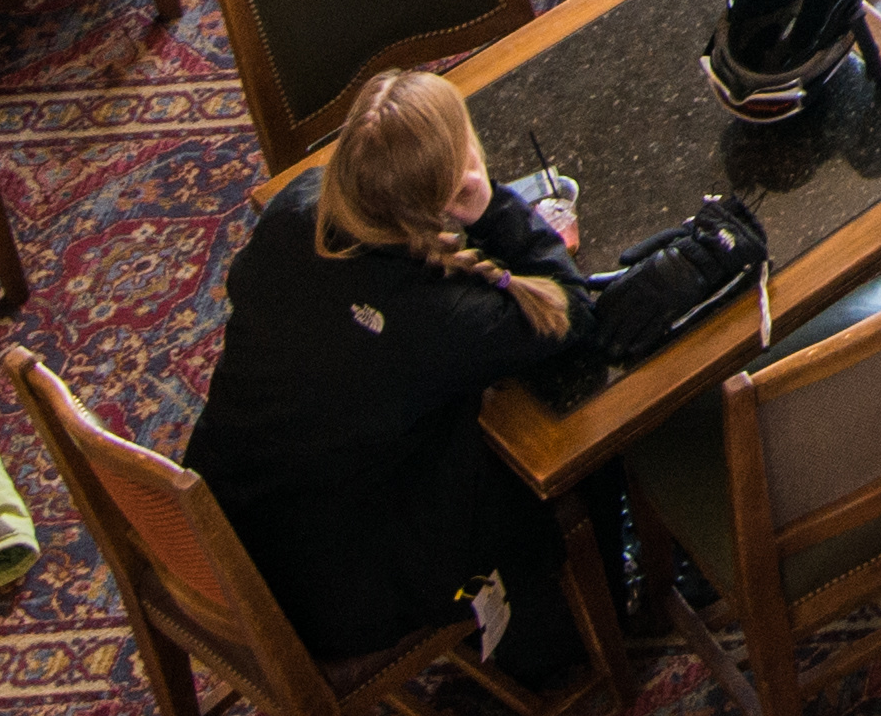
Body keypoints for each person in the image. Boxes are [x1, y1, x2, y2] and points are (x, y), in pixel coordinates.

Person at [191, 63, 599, 682]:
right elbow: (571, 314)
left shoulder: (293, 211)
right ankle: (572, 641)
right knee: (559, 455)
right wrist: (491, 210)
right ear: (455, 181)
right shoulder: (446, 323)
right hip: (333, 597)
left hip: (223, 533)